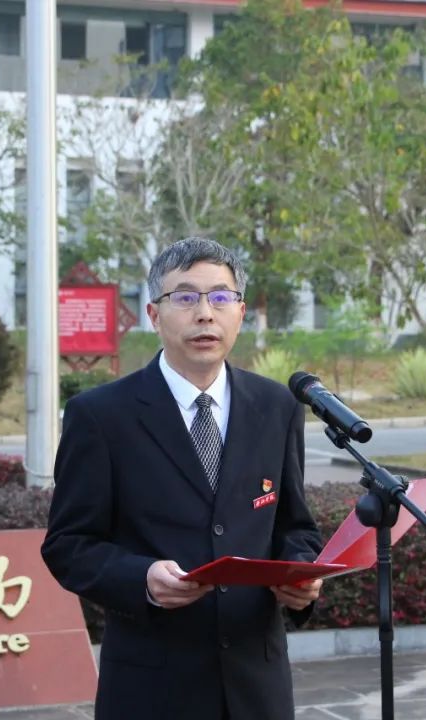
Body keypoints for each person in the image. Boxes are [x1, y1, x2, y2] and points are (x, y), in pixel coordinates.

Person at [41, 237, 323, 720]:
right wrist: (142, 579)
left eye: (221, 297)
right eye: (186, 297)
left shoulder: (276, 406)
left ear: (240, 312)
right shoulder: (101, 416)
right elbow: (68, 545)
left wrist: (301, 573)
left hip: (257, 687)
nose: (205, 314)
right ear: (154, 314)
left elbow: (294, 526)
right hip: (152, 689)